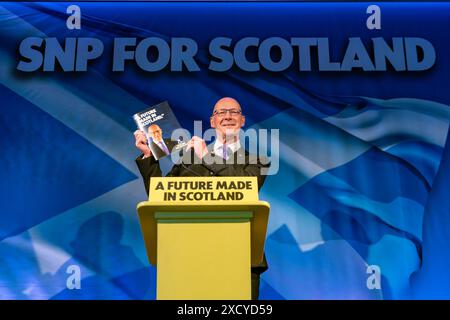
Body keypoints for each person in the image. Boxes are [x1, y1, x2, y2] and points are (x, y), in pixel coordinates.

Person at [134, 97, 269, 300]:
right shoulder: (188, 159)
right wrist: (149, 157)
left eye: (234, 112)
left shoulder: (258, 161)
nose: (228, 116)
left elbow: (244, 186)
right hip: (187, 260)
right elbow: (160, 195)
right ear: (212, 122)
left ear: (242, 121)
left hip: (239, 261)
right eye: (220, 113)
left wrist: (206, 155)